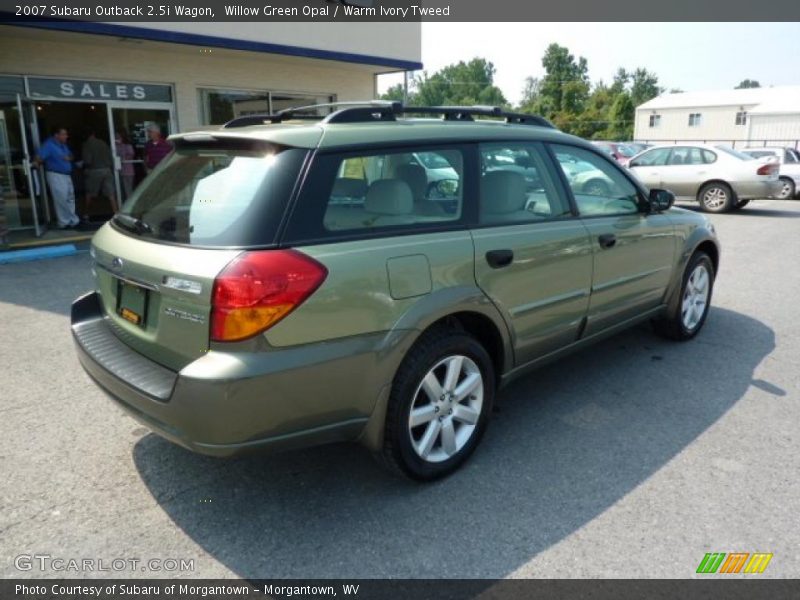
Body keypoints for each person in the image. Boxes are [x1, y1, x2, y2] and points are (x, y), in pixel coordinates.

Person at [36, 127, 80, 229]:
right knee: (61, 198)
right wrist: (36, 162)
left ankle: (72, 220)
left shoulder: (63, 145)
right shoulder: (49, 145)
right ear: (56, 135)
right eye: (64, 134)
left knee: (70, 198)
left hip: (66, 175)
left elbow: (71, 156)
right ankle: (64, 222)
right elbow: (39, 157)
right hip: (56, 175)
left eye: (66, 134)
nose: (66, 136)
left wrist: (68, 158)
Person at [81, 130, 118, 216]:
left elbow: (88, 160)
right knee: (111, 194)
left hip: (94, 171)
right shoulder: (103, 143)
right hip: (107, 170)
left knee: (90, 194)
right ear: (93, 134)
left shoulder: (87, 145)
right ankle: (116, 213)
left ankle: (86, 214)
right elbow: (110, 157)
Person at [114, 131, 135, 201]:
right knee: (121, 190)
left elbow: (131, 155)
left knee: (128, 189)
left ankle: (129, 203)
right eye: (115, 138)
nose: (116, 139)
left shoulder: (127, 146)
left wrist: (123, 159)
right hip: (118, 171)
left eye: (118, 137)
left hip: (128, 171)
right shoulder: (115, 147)